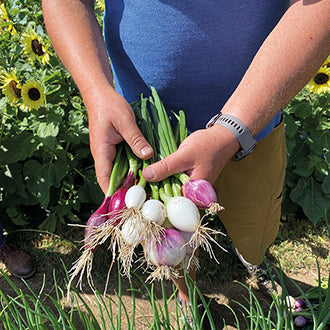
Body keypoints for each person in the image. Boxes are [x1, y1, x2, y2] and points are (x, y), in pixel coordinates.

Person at [42, 0, 330, 315]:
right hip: (146, 134)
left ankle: (257, 261)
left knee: (255, 222)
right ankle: (187, 294)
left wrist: (231, 131)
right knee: (170, 238)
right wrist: (96, 90)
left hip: (252, 129)